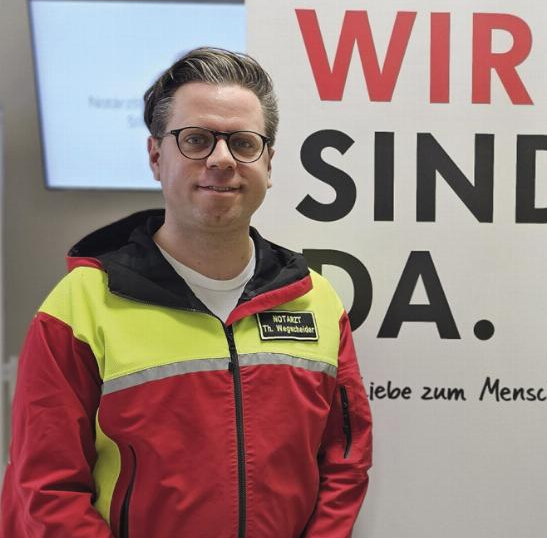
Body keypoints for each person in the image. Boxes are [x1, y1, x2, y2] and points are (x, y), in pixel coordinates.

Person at [2, 47, 373, 537]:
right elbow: (44, 489)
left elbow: (344, 459)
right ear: (156, 156)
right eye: (196, 139)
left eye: (244, 143)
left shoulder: (315, 301)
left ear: (269, 163)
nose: (222, 159)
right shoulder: (79, 308)